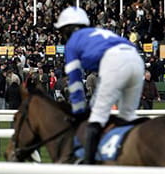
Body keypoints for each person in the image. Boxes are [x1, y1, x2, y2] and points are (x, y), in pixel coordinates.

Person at [54, 7, 144, 164]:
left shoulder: (72, 43)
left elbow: (75, 83)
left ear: (67, 30)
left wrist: (79, 112)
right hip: (136, 58)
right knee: (128, 115)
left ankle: (89, 169)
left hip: (114, 61)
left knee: (97, 118)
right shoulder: (98, 33)